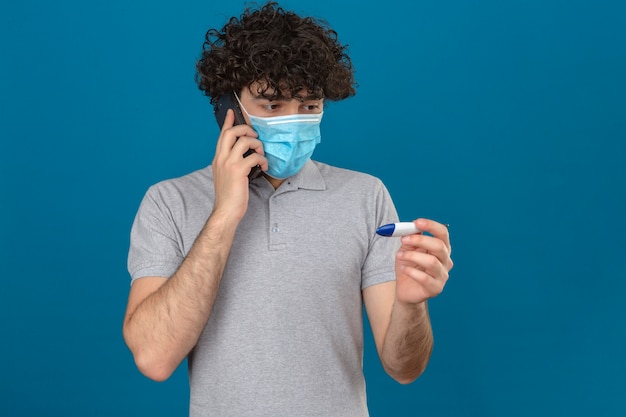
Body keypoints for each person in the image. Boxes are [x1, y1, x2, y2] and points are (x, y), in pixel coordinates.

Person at [123, 2, 453, 416]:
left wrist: (411, 304)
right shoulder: (169, 202)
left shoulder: (366, 196)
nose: (294, 122)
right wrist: (225, 213)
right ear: (228, 108)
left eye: (309, 106)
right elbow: (154, 358)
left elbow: (405, 369)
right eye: (273, 106)